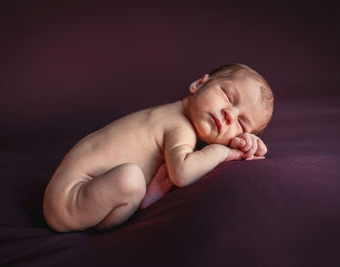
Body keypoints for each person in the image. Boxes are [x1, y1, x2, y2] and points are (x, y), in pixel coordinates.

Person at [43, 63, 274, 232]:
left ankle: (147, 194)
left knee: (140, 175)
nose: (229, 114)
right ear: (198, 84)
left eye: (242, 124)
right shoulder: (179, 125)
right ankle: (128, 211)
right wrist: (226, 151)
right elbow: (183, 174)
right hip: (68, 201)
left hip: (70, 190)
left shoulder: (171, 114)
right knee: (130, 178)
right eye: (227, 96)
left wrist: (245, 142)